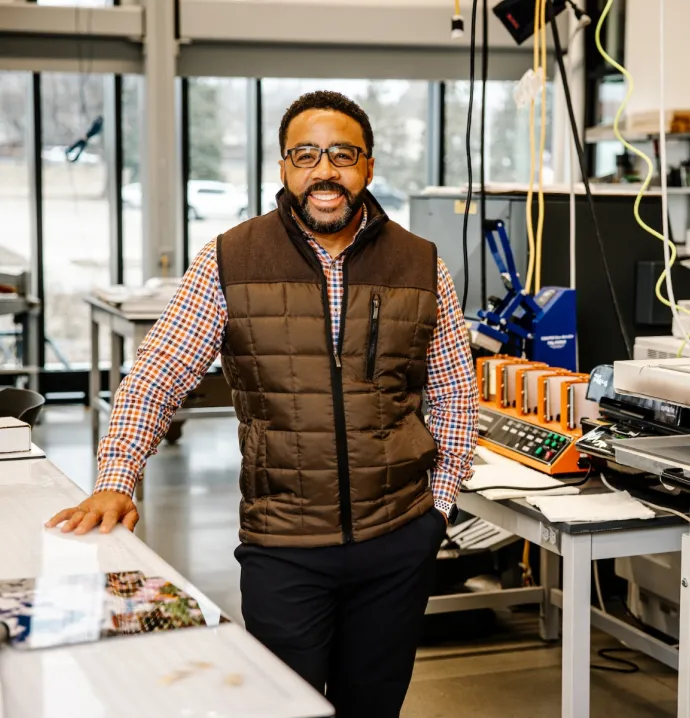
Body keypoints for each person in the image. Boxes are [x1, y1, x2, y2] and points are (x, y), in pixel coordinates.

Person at [46, 90, 479, 717]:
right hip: (284, 546)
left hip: (398, 541)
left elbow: (454, 396)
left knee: (376, 706)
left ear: (368, 167)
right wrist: (118, 478)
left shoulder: (421, 263)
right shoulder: (231, 258)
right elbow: (157, 375)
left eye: (342, 155)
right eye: (305, 155)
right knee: (286, 706)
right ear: (282, 167)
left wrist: (436, 512)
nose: (324, 172)